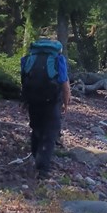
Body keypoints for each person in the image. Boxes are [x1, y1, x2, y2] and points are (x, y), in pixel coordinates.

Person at [20, 39, 71, 179]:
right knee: (50, 132)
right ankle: (42, 170)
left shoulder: (29, 58)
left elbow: (24, 80)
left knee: (36, 128)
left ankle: (35, 156)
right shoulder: (58, 59)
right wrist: (66, 103)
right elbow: (64, 83)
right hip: (51, 100)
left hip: (32, 99)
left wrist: (25, 100)